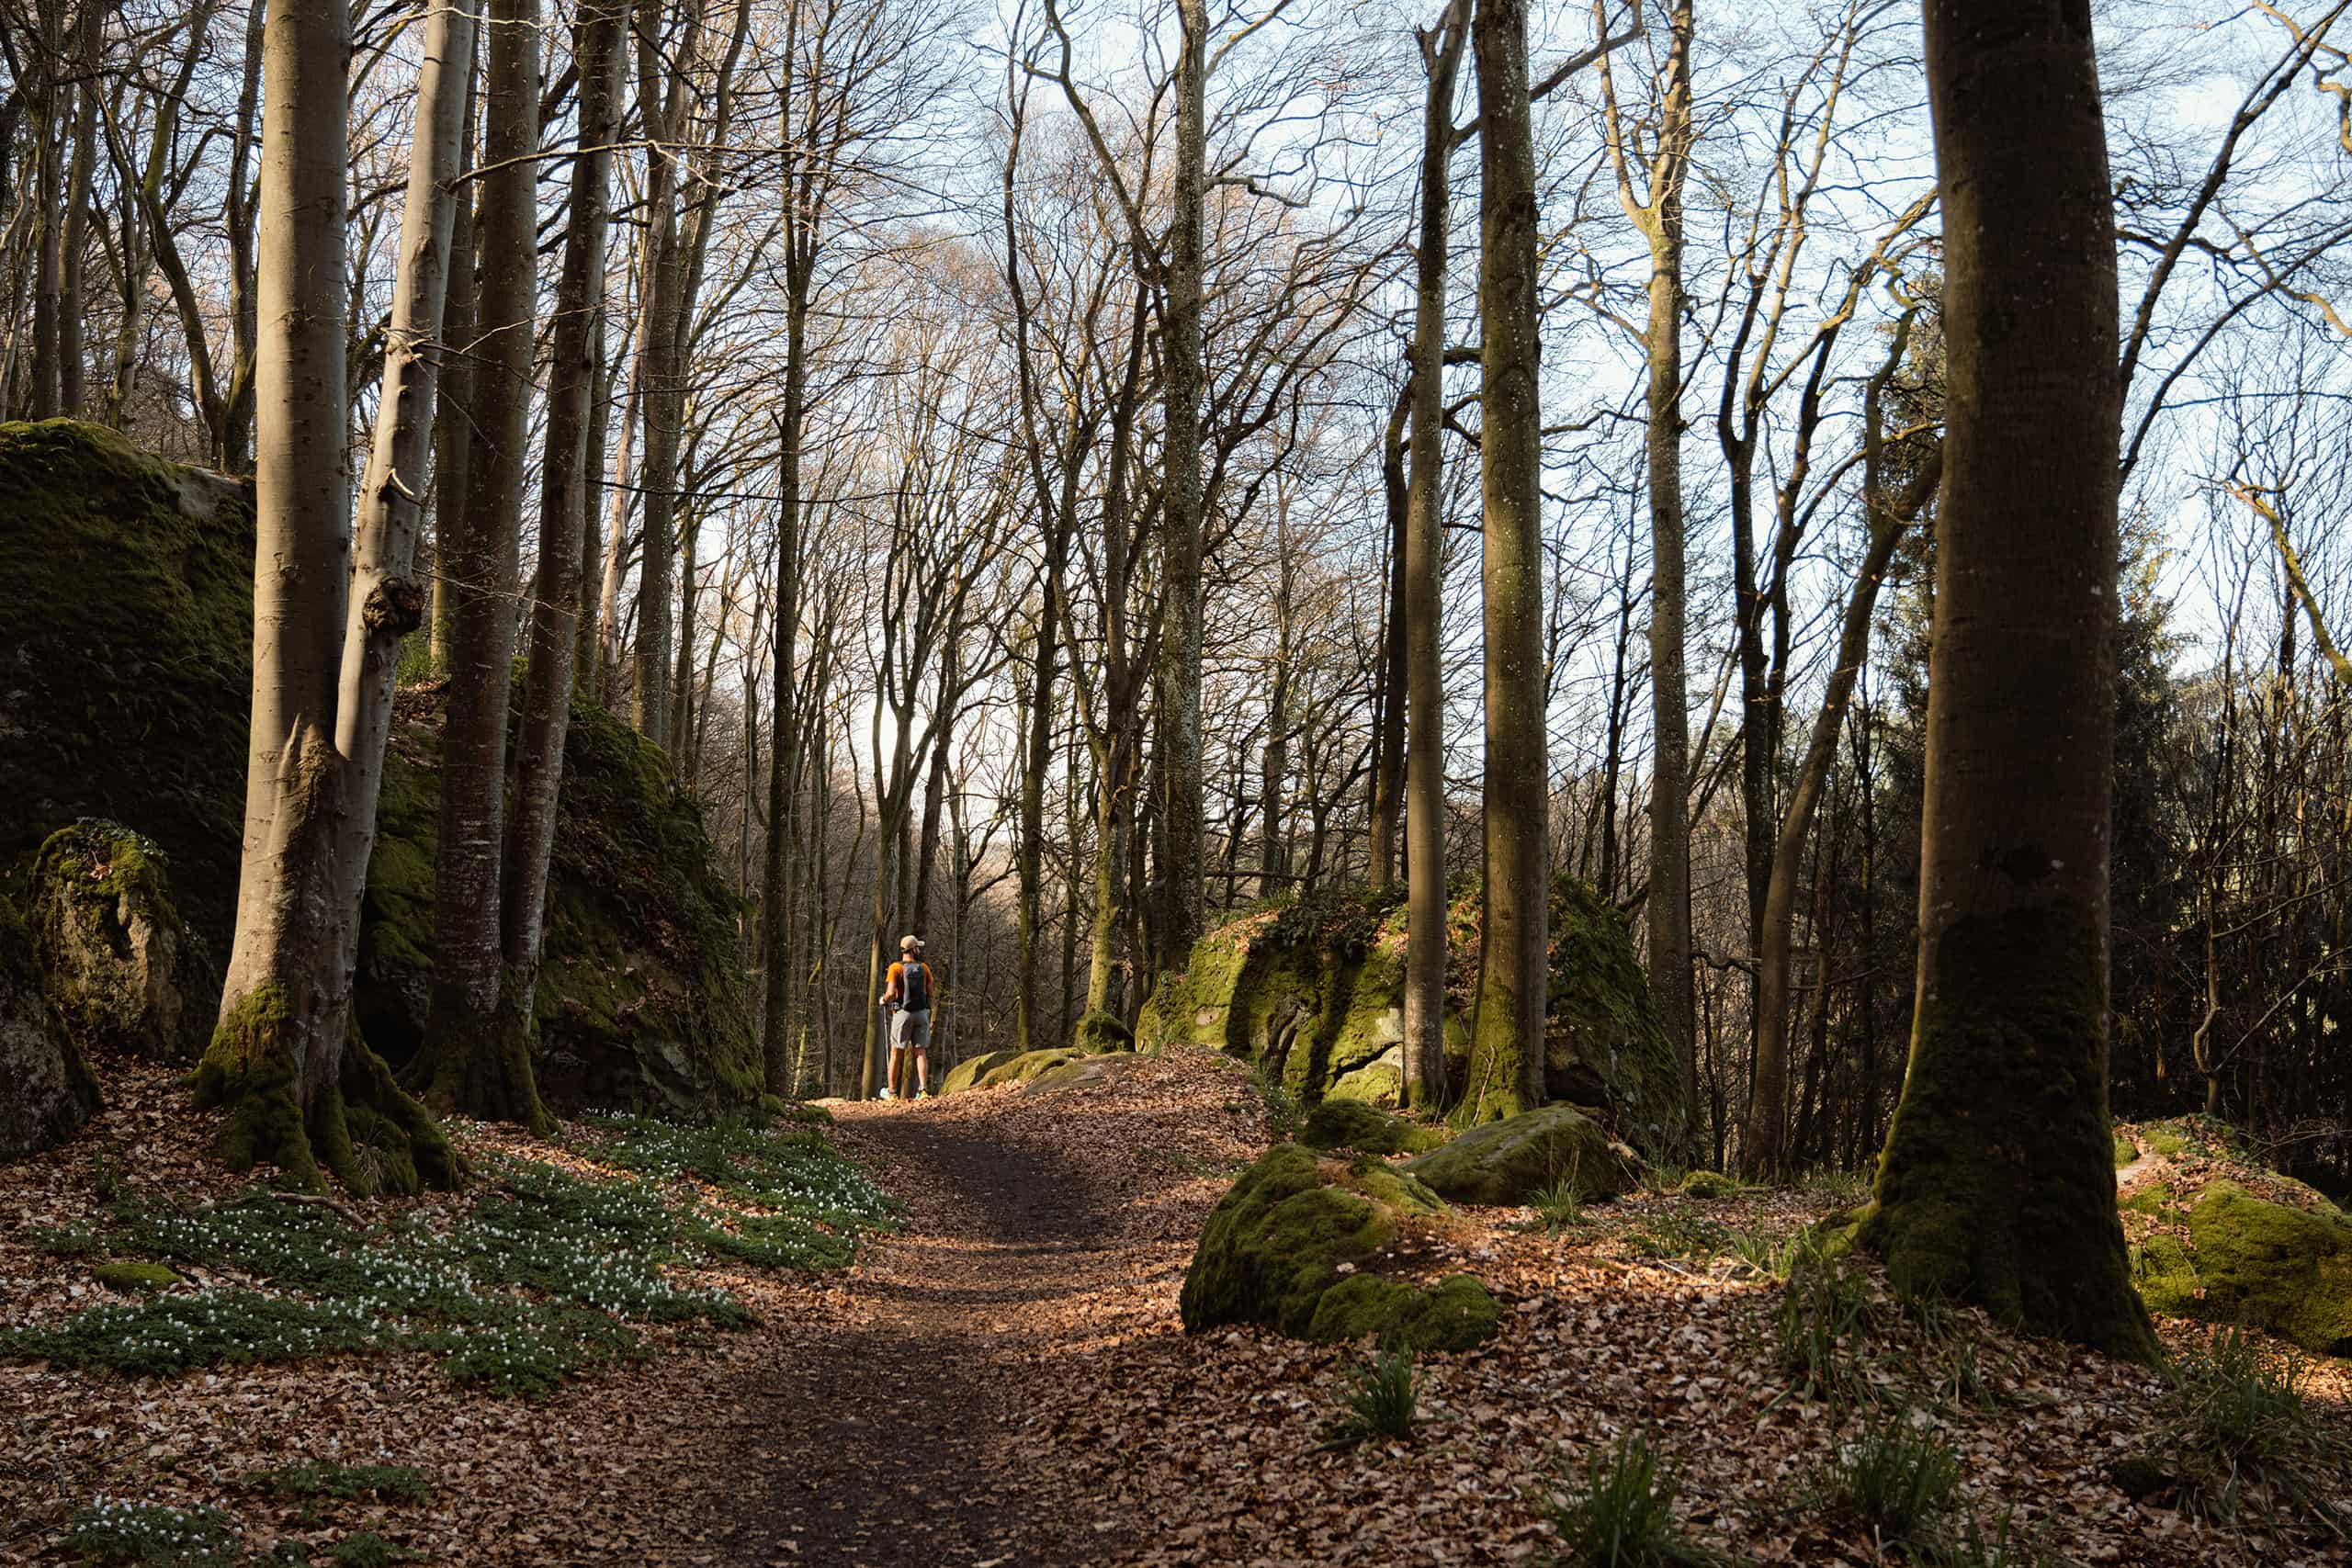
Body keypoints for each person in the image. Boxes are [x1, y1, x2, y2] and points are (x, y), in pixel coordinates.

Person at [877, 934, 934, 1100]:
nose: (919, 950)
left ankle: (892, 1092)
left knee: (896, 1052)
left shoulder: (895, 968)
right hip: (922, 1014)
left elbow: (890, 993)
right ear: (914, 949)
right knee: (920, 1052)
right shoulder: (924, 968)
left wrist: (883, 1000)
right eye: (918, 947)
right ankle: (923, 1091)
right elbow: (931, 993)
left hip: (902, 1014)